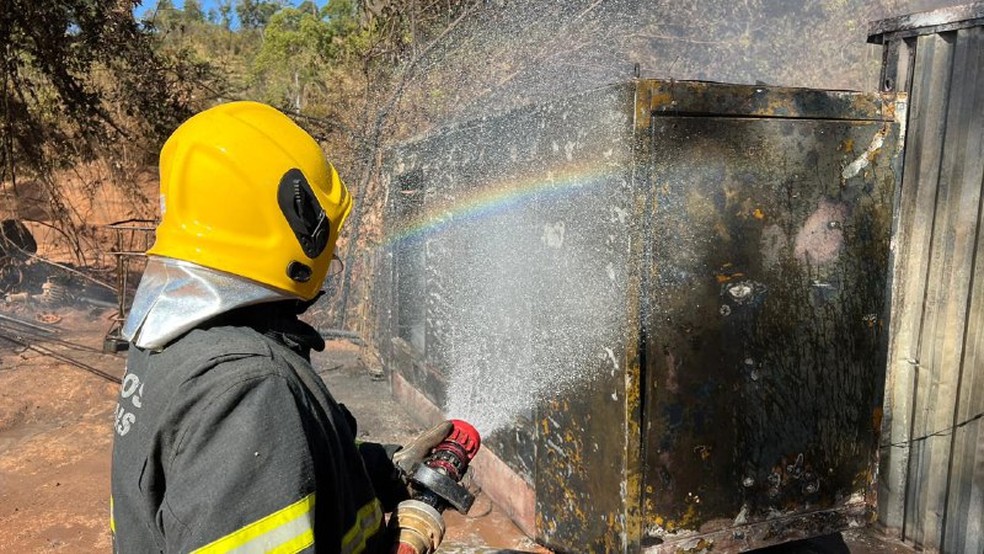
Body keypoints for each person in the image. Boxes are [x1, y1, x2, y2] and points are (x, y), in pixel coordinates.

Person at [110, 101, 449, 553]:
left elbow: (276, 470)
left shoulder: (168, 342)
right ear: (300, 221)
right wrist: (406, 542)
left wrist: (386, 469)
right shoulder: (248, 389)